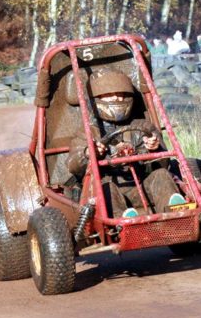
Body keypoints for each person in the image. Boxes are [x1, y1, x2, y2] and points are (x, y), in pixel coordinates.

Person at [67, 69, 186, 218]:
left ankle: (176, 211)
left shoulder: (143, 126)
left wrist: (154, 149)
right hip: (112, 189)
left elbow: (163, 165)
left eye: (122, 95)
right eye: (110, 95)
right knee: (105, 187)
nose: (117, 98)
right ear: (97, 99)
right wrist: (88, 154)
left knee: (161, 174)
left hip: (141, 186)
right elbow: (73, 165)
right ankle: (124, 218)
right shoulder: (88, 132)